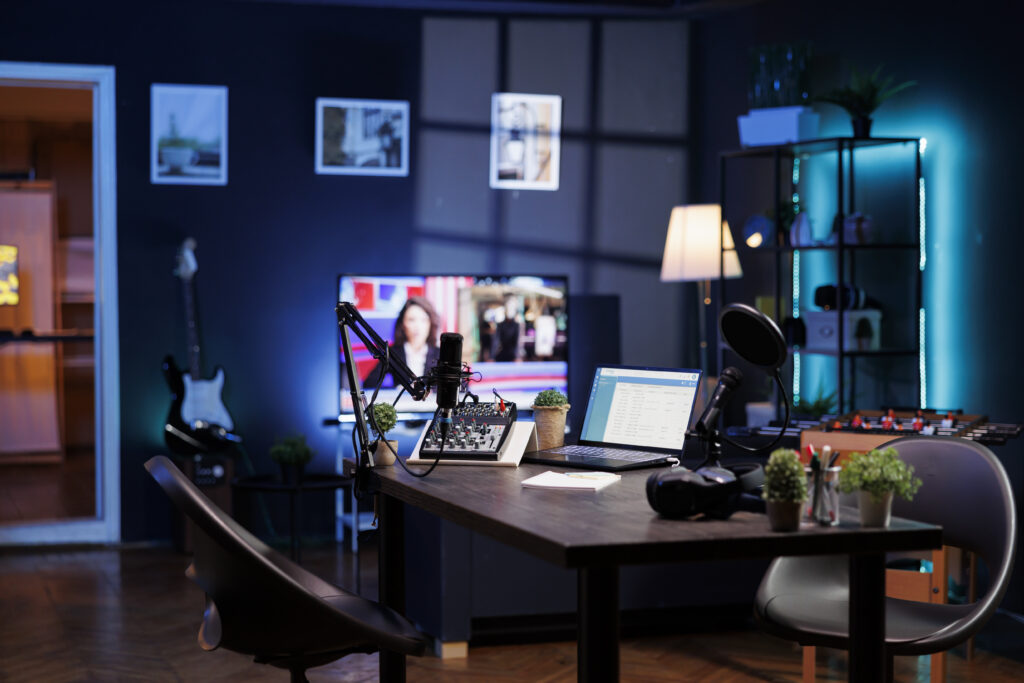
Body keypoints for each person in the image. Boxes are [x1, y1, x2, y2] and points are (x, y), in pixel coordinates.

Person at [363, 296, 441, 389]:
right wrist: (396, 390)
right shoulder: (393, 353)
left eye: (423, 320)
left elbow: (460, 387)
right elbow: (369, 384)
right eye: (411, 320)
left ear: (430, 323)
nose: (417, 326)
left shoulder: (440, 354)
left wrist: (435, 391)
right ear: (403, 324)